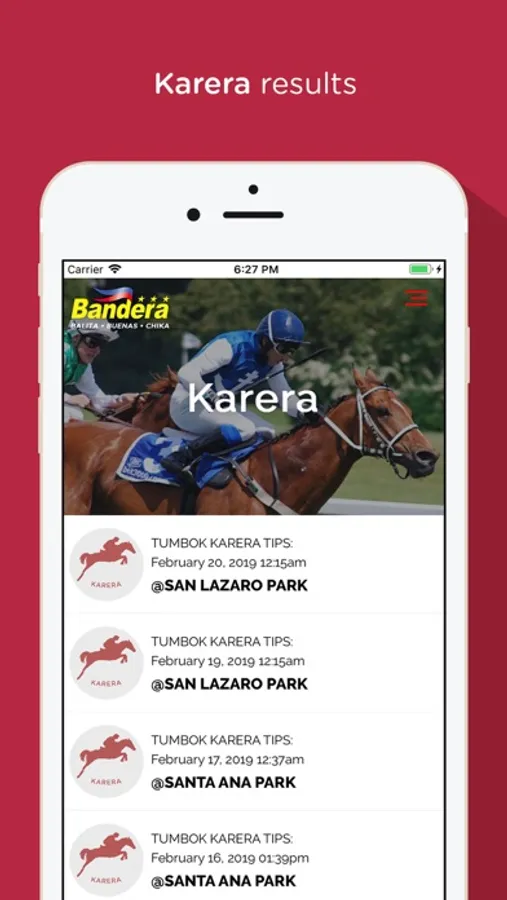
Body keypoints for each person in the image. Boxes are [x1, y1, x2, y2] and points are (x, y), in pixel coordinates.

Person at [163, 308, 319, 474]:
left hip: (215, 407)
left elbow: (285, 397)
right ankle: (181, 456)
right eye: (283, 349)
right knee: (245, 429)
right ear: (265, 341)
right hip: (186, 404)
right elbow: (186, 373)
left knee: (269, 432)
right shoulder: (231, 346)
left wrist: (305, 410)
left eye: (291, 351)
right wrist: (212, 397)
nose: (286, 357)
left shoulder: (273, 363)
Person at [64, 319, 137, 422]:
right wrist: (69, 398)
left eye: (101, 344)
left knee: (74, 412)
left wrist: (120, 400)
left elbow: (97, 398)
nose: (97, 351)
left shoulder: (83, 365)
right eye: (92, 342)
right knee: (70, 412)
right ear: (75, 338)